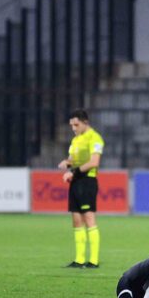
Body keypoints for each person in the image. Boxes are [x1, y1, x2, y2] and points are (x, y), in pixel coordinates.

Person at [58, 109, 104, 268]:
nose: (74, 128)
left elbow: (94, 162)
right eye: (71, 125)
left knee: (89, 219)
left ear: (85, 122)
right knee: (77, 220)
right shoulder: (76, 140)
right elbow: (72, 159)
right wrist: (67, 163)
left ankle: (93, 260)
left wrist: (73, 171)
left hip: (87, 181)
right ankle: (79, 259)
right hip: (75, 181)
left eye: (76, 125)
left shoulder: (95, 138)